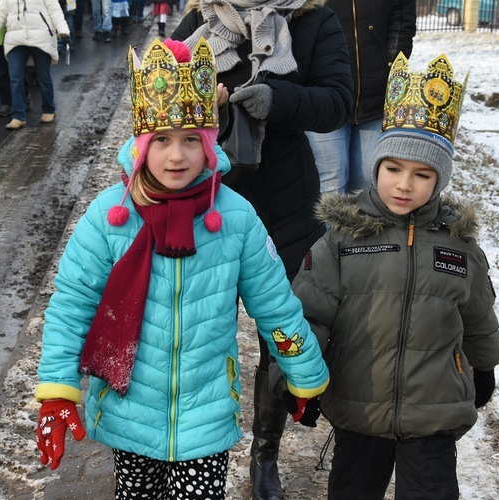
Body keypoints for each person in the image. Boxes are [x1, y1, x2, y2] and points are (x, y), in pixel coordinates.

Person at [34, 38, 330, 499]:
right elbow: (72, 304)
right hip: (130, 408)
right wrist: (57, 386)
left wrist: (304, 371)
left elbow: (275, 303)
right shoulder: (109, 216)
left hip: (205, 412)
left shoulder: (234, 217)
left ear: (209, 144)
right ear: (141, 145)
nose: (177, 156)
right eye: (163, 141)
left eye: (191, 139)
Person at [290, 53, 499, 499]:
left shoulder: (459, 245)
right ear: (377, 165)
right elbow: (308, 316)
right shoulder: (344, 238)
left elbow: (479, 315)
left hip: (434, 412)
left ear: (439, 180)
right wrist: (296, 382)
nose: (404, 185)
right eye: (393, 169)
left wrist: (484, 368)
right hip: (358, 406)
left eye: (422, 174)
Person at [171, 1, 354, 498]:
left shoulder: (314, 19)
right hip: (209, 205)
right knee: (202, 328)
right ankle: (195, 446)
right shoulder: (198, 23)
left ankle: (264, 454)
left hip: (286, 206)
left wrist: (277, 99)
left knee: (282, 331)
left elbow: (338, 100)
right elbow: (161, 95)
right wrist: (198, 105)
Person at [307, 0, 416, 195]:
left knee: (368, 180)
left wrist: (389, 65)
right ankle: (330, 227)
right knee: (331, 181)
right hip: (325, 96)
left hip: (376, 96)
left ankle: (360, 226)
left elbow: (402, 24)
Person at [0, 0, 71, 130]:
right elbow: (0, 13)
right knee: (15, 77)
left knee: (43, 76)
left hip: (41, 37)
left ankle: (48, 109)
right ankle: (18, 116)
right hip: (15, 38)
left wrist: (64, 32)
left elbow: (55, 11)